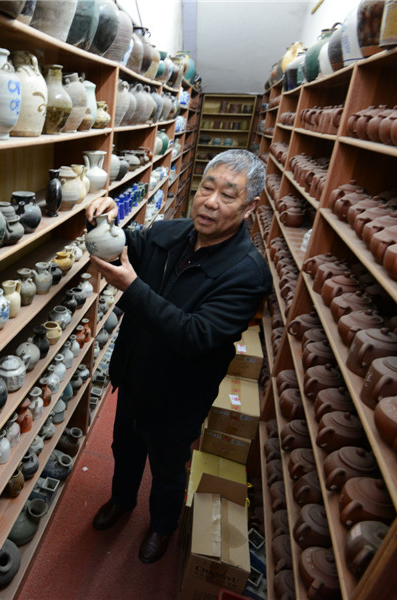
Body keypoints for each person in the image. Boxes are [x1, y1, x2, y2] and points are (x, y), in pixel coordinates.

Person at [84, 149, 272, 563]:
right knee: (125, 447)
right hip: (134, 372)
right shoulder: (168, 232)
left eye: (228, 195)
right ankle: (122, 500)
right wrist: (105, 218)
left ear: (250, 207)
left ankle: (162, 526)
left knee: (168, 466)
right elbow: (127, 246)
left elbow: (196, 335)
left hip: (179, 394)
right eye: (207, 187)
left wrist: (133, 289)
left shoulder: (247, 272)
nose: (210, 201)